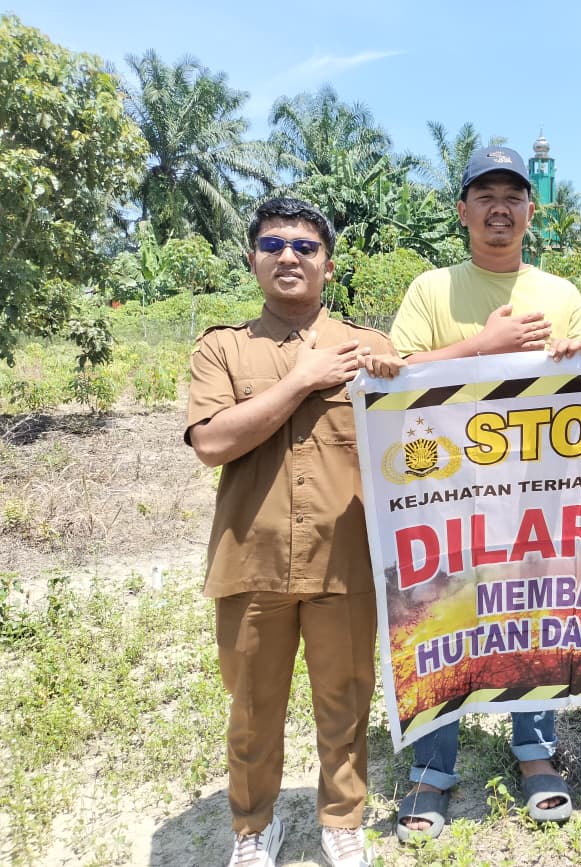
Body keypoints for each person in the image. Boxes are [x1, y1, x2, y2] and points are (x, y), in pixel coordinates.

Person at [186, 197, 406, 867]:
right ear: (252, 258)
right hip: (251, 561)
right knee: (252, 711)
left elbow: (420, 432)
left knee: (345, 701)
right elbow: (212, 441)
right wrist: (306, 379)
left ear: (328, 266)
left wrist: (403, 374)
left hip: (344, 560)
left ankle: (342, 819)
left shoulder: (368, 346)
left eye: (305, 246)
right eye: (274, 243)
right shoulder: (221, 347)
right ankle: (253, 829)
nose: (289, 255)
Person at [387, 146, 581, 842]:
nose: (500, 207)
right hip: (441, 496)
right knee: (438, 617)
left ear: (532, 211)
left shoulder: (563, 294)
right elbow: (396, 374)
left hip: (535, 498)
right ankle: (433, 766)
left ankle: (534, 748)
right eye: (485, 195)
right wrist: (489, 343)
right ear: (463, 211)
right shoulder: (430, 288)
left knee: (531, 616)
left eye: (514, 195)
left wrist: (573, 366)